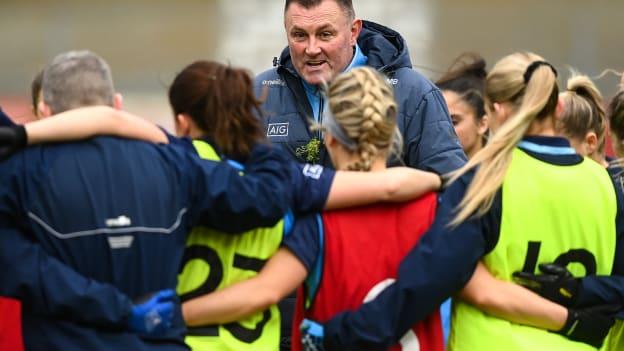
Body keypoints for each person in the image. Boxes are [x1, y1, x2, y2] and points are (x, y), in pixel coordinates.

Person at [7, 59, 441, 351]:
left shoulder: (177, 164)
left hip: (187, 338)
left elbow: (118, 126)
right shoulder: (281, 181)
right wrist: (438, 181)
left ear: (182, 121)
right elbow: (381, 189)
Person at [299, 52, 624, 351]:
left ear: (494, 110)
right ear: (558, 107)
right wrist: (577, 298)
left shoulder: (486, 180)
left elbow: (431, 279)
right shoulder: (605, 184)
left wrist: (342, 333)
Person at [0, 50, 295, 351]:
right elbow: (266, 197)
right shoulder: (174, 164)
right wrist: (248, 137)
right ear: (117, 105)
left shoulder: (19, 174)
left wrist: (121, 310)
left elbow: (22, 269)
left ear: (45, 112)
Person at [180, 66, 445, 351]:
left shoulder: (319, 221)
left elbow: (263, 292)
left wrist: (172, 315)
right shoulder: (435, 211)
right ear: (390, 134)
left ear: (329, 137)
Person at [255, 0, 466, 172]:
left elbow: (451, 189)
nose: (312, 49)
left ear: (354, 31)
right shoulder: (258, 93)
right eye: (299, 35)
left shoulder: (414, 93)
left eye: (325, 34)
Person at [436, 53, 489, 159]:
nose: (440, 131)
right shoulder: (418, 170)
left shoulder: (502, 173)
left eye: (453, 122)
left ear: (482, 124)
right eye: (433, 122)